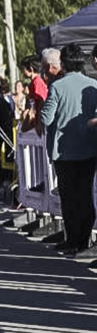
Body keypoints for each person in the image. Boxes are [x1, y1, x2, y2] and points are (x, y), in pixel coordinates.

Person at [41, 44, 97, 259]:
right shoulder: (93, 85)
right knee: (85, 195)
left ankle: (72, 239)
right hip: (89, 148)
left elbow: (46, 117)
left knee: (69, 196)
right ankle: (84, 240)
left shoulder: (57, 87)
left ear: (62, 63)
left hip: (64, 151)